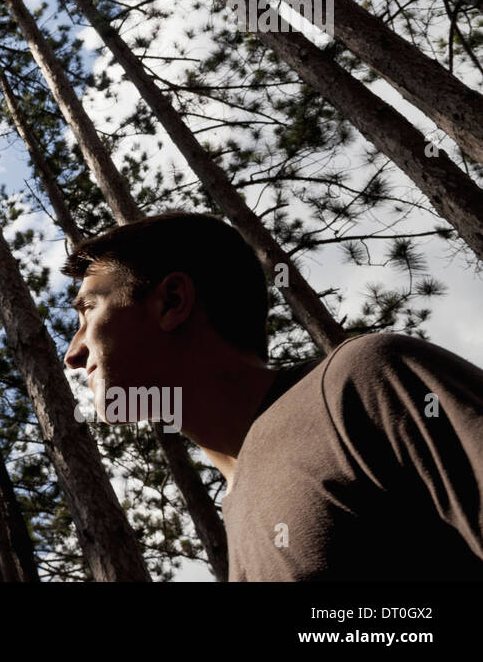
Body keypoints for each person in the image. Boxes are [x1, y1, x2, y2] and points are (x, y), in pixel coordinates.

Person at [61, 212, 483, 580]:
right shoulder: (238, 518)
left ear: (172, 301)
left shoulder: (363, 384)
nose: (73, 354)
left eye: (88, 310)